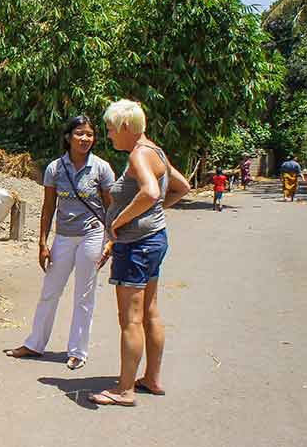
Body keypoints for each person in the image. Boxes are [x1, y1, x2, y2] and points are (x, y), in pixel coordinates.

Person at [89, 100, 190, 407]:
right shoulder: (156, 150)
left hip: (136, 247)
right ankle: (152, 379)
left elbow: (151, 192)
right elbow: (182, 186)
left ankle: (124, 390)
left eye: (110, 128)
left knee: (130, 319)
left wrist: (119, 221)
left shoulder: (138, 155)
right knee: (150, 312)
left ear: (126, 127)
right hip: (153, 241)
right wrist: (150, 216)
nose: (108, 135)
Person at [5, 115, 116, 370]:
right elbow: (48, 208)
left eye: (89, 134)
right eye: (79, 133)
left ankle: (78, 351)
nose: (85, 138)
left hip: (92, 235)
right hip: (63, 237)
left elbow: (112, 208)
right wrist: (43, 243)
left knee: (84, 295)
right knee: (50, 291)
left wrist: (111, 241)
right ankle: (34, 344)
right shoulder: (55, 168)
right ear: (68, 137)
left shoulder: (101, 168)